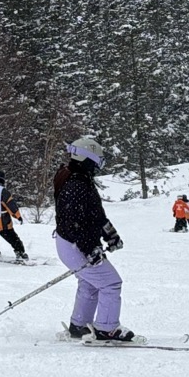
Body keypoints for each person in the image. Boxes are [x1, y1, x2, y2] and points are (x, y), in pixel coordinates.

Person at [54, 137, 133, 343]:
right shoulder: (75, 184)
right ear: (86, 158)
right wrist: (90, 249)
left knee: (90, 282)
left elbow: (95, 214)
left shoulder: (81, 179)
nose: (98, 165)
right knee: (111, 283)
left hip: (71, 243)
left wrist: (110, 235)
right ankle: (107, 329)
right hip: (74, 244)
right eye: (97, 160)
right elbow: (74, 222)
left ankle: (80, 325)